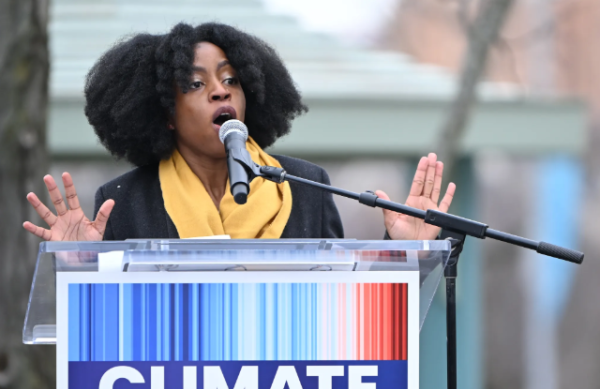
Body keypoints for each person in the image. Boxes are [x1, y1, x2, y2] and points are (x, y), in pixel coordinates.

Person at [22, 22, 455, 242]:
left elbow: (351, 313)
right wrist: (79, 266)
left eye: (231, 79)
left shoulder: (308, 188)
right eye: (195, 84)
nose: (218, 91)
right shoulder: (123, 202)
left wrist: (407, 254)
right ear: (166, 114)